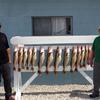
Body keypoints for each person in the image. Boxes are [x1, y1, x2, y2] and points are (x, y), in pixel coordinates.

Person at [0, 24, 15, 100]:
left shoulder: (3, 36)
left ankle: (8, 96)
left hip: (5, 62)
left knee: (7, 79)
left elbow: (8, 48)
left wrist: (9, 60)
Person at [89, 27, 100, 98]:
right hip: (97, 62)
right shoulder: (96, 39)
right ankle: (96, 92)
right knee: (96, 78)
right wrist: (90, 60)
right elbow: (93, 51)